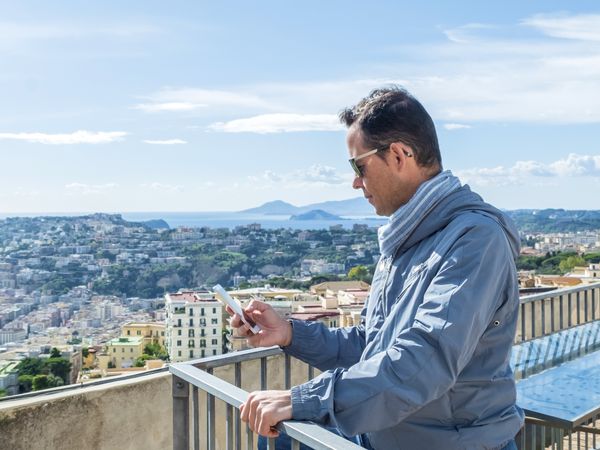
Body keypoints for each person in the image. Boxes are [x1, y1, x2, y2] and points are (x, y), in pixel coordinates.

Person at [230, 86, 524, 450]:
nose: (355, 182)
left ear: (400, 154)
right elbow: (372, 345)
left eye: (359, 165)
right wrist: (289, 333)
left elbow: (424, 361)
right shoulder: (406, 238)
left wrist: (306, 399)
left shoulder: (476, 240)